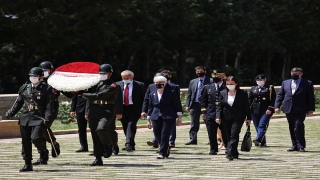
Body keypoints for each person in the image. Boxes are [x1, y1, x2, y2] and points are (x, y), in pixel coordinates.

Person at [5, 67, 54, 172]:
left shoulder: (47, 88)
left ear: (41, 77)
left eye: (35, 76)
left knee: (35, 138)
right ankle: (27, 163)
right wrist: (11, 112)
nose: (33, 78)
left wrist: (48, 118)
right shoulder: (25, 88)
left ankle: (43, 151)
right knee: (25, 141)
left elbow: (49, 105)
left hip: (39, 117)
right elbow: (18, 102)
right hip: (26, 117)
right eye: (31, 76)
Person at [82, 64, 121, 166]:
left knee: (101, 129)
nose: (102, 75)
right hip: (94, 110)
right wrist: (87, 111)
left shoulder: (113, 85)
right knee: (95, 135)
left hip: (106, 110)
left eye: (104, 73)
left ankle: (108, 145)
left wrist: (82, 94)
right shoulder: (94, 83)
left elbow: (100, 96)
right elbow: (89, 99)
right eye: (100, 73)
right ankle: (98, 158)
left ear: (110, 74)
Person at [274, 67, 315, 152]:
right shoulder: (285, 83)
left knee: (298, 125)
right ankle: (294, 145)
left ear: (301, 74)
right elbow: (280, 95)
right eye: (293, 74)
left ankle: (301, 145)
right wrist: (277, 106)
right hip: (289, 107)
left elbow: (310, 97)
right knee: (292, 126)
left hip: (301, 108)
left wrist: (311, 109)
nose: (294, 75)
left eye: (296, 74)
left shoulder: (307, 83)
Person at [141, 72, 181, 148]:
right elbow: (148, 102)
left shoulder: (173, 88)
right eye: (156, 82)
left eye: (161, 82)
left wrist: (179, 116)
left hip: (168, 114)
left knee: (166, 132)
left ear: (165, 82)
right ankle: (163, 146)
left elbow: (177, 102)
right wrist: (145, 113)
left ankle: (166, 146)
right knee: (157, 132)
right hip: (156, 114)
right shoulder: (151, 88)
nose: (158, 84)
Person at [215, 76, 252, 160]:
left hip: (238, 117)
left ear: (236, 83)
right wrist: (218, 116)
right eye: (228, 84)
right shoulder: (222, 93)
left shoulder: (242, 93)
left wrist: (249, 118)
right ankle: (234, 152)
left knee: (234, 134)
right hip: (225, 117)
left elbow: (246, 106)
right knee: (227, 135)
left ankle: (229, 152)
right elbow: (219, 106)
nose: (229, 85)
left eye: (231, 84)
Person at [33, 61, 60, 165]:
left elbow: (69, 94)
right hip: (39, 109)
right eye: (43, 70)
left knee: (42, 128)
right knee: (40, 130)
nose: (44, 72)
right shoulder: (37, 80)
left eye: (46, 70)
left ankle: (50, 147)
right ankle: (44, 153)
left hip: (51, 108)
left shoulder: (56, 81)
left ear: (51, 70)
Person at [115, 70, 146, 151]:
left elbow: (145, 99)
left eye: (127, 78)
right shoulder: (117, 84)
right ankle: (131, 144)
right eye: (123, 78)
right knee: (125, 126)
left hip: (134, 108)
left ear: (132, 77)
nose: (125, 79)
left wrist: (144, 110)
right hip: (122, 108)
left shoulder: (140, 85)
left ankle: (128, 143)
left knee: (131, 125)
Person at [200, 70, 226, 155]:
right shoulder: (208, 87)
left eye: (217, 77)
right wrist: (203, 111)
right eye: (214, 77)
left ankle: (228, 147)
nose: (215, 79)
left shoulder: (226, 86)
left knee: (225, 131)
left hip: (223, 111)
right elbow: (203, 100)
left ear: (221, 77)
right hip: (211, 111)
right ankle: (213, 149)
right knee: (211, 132)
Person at [185, 66, 211, 145]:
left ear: (205, 71)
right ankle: (193, 139)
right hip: (194, 104)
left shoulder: (210, 81)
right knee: (194, 123)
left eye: (201, 71)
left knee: (209, 122)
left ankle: (211, 139)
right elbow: (189, 94)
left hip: (206, 104)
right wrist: (187, 105)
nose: (199, 72)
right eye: (197, 71)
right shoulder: (193, 81)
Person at [248, 74, 276, 147]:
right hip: (255, 110)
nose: (259, 81)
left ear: (265, 80)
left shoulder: (269, 88)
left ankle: (258, 139)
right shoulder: (253, 88)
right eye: (258, 80)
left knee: (262, 124)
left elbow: (273, 99)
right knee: (257, 126)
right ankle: (262, 142)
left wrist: (270, 108)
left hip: (266, 110)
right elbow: (250, 99)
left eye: (261, 80)